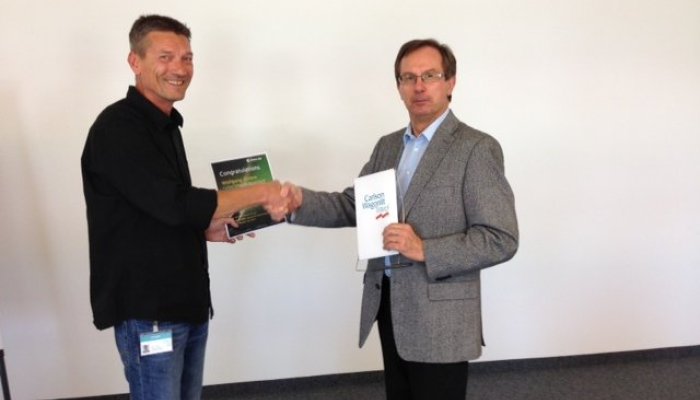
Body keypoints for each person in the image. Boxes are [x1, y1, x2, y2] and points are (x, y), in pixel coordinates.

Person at [283, 39, 518, 399]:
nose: (419, 86)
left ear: (450, 82)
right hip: (389, 304)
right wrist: (298, 201)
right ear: (399, 87)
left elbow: (501, 238)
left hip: (442, 319)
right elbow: (354, 206)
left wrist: (425, 249)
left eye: (430, 76)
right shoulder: (388, 146)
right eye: (408, 78)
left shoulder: (476, 148)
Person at [80, 15, 287, 400]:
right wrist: (261, 191)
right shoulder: (117, 128)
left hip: (186, 306)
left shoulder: (166, 125)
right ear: (135, 61)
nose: (179, 68)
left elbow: (154, 209)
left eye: (187, 58)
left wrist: (204, 228)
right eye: (165, 57)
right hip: (151, 314)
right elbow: (175, 203)